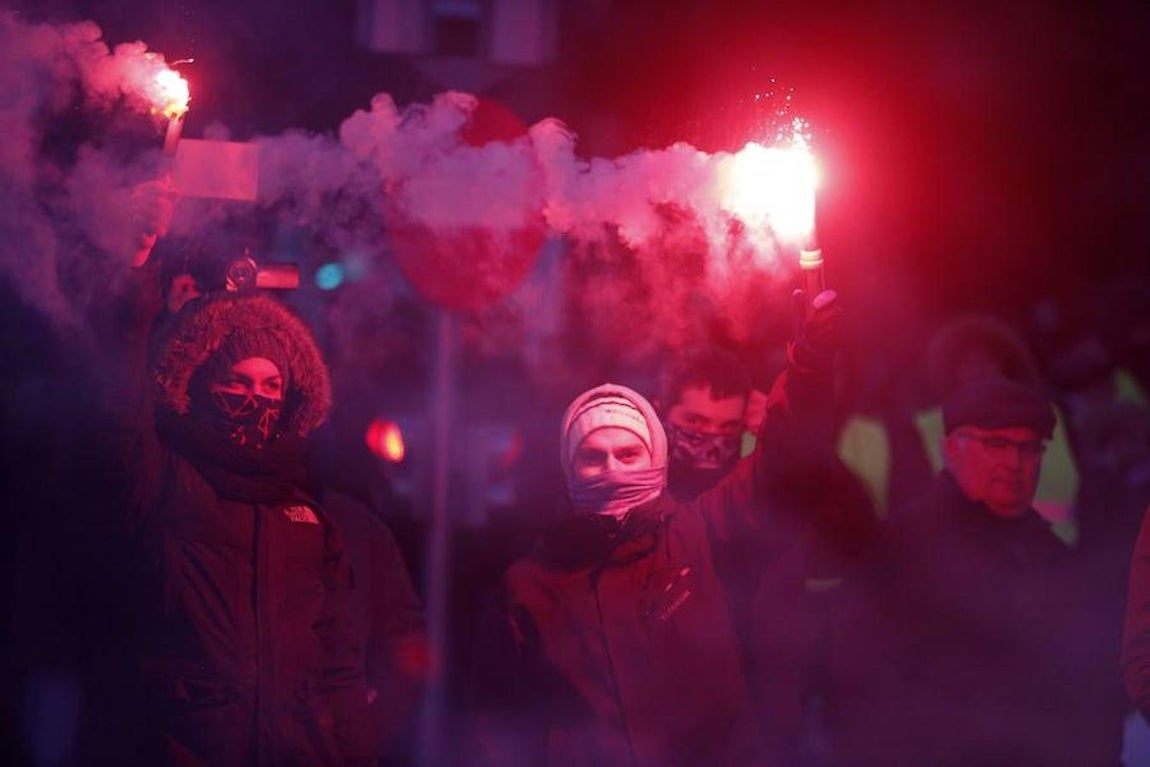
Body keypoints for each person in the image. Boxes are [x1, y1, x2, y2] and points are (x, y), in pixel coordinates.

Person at [478, 293, 841, 767]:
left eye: (628, 454)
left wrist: (808, 365)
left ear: (654, 457)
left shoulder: (701, 533)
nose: (611, 469)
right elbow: (500, 720)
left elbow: (785, 462)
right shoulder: (531, 583)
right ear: (569, 468)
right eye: (593, 457)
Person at [59, 255, 380, 765]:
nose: (257, 398)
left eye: (272, 386)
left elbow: (338, 669)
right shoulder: (159, 483)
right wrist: (137, 268)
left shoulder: (307, 522)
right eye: (238, 381)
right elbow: (120, 406)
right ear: (202, 386)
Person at [841, 379, 1117, 767]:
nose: (1015, 464)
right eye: (996, 445)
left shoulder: (1054, 558)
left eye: (1029, 448)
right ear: (953, 449)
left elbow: (1091, 682)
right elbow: (859, 684)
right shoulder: (899, 547)